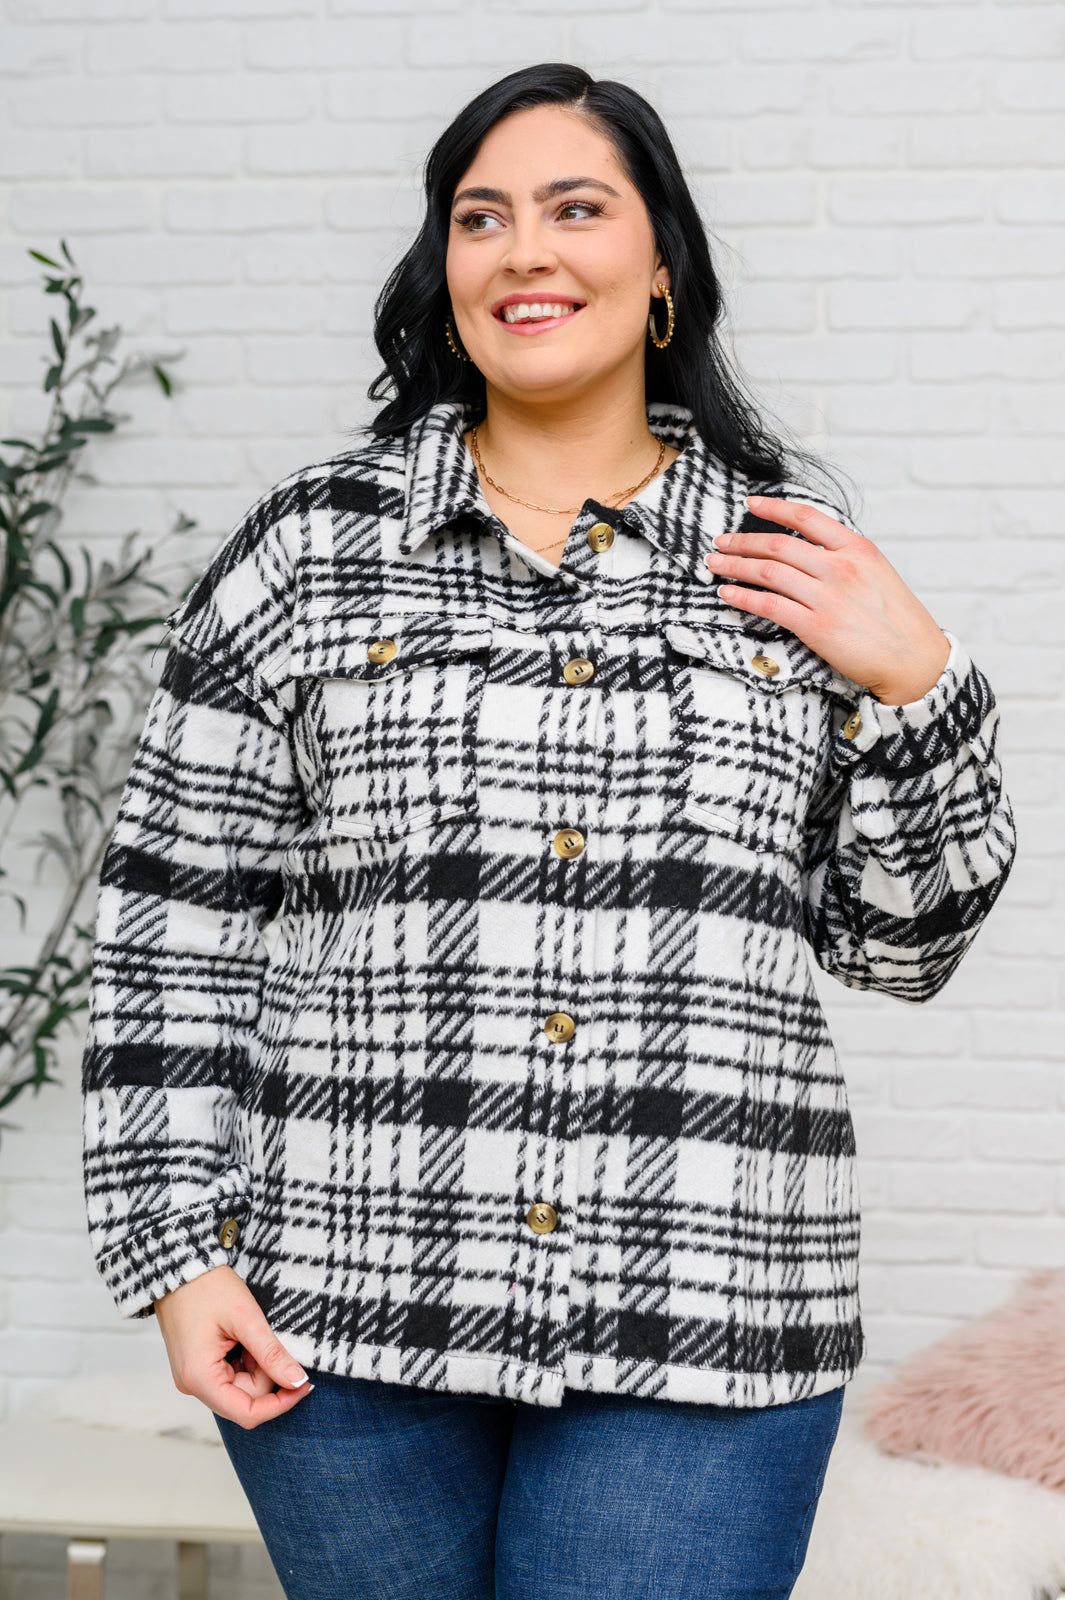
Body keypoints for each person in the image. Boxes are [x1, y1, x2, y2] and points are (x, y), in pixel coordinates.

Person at [80, 61, 1016, 1600]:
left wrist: (922, 682)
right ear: (442, 269)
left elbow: (901, 948)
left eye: (576, 209)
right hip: (347, 1315)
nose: (524, 250)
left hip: (707, 1308)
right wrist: (175, 1254)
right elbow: (174, 928)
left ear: (661, 268)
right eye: (480, 217)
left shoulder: (790, 561)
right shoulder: (308, 549)